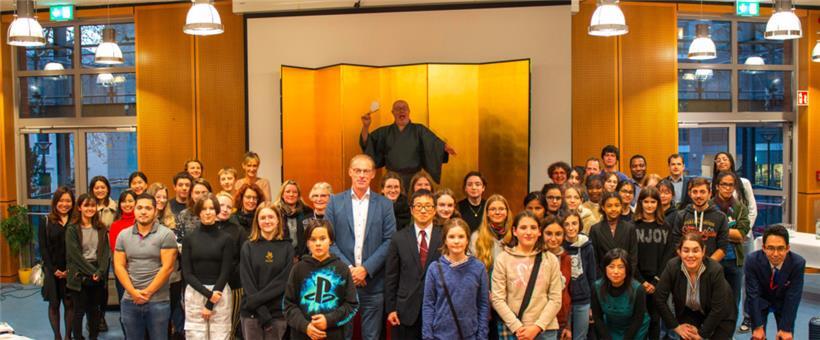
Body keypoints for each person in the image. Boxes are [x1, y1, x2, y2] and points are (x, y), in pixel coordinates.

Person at [325, 154, 397, 340]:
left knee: (372, 337)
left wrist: (365, 269)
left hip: (373, 283)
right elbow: (328, 240)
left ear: (373, 174)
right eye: (357, 170)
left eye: (366, 171)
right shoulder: (334, 202)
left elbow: (390, 240)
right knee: (343, 336)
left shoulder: (385, 204)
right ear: (350, 172)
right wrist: (350, 270)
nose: (362, 175)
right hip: (342, 282)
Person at [113, 193, 178, 340]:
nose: (143, 212)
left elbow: (167, 268)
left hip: (158, 301)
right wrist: (133, 293)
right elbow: (119, 266)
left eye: (148, 208)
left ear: (155, 211)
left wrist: (147, 293)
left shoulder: (166, 234)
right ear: (134, 210)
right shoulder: (123, 235)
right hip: (130, 300)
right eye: (140, 208)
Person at [491, 211, 562, 340]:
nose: (528, 232)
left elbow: (556, 299)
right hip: (515, 330)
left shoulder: (550, 259)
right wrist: (517, 327)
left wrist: (537, 327)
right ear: (514, 231)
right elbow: (497, 299)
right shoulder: (503, 259)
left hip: (545, 329)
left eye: (533, 228)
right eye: (523, 227)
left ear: (539, 232)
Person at [285, 220, 359, 340]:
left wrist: (329, 320)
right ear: (307, 242)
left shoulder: (342, 269)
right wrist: (305, 326)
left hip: (332, 335)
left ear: (330, 240)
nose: (318, 243)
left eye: (322, 238)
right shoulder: (298, 269)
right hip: (302, 335)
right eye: (313, 239)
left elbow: (352, 305)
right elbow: (288, 306)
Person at [654, 232, 737, 340]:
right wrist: (675, 326)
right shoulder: (672, 267)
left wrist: (702, 334)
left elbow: (718, 308)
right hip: (691, 312)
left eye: (696, 250)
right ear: (679, 252)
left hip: (721, 316)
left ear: (703, 252)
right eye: (686, 250)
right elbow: (659, 298)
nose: (690, 255)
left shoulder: (715, 270)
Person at [386, 189, 443, 339]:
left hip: (438, 307)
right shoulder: (399, 238)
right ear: (411, 210)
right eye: (418, 206)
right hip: (406, 310)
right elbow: (391, 276)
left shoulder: (444, 237)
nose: (423, 210)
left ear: (435, 210)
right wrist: (391, 308)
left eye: (428, 206)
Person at [422, 218, 490, 340]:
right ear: (445, 240)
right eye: (452, 237)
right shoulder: (434, 268)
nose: (456, 241)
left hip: (470, 335)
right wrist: (427, 336)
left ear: (467, 239)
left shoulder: (478, 268)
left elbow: (483, 304)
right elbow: (428, 305)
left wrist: (482, 336)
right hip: (440, 336)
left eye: (461, 236)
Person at [360, 99, 456, 185]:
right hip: (392, 179)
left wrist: (443, 146)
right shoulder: (384, 132)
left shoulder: (419, 130)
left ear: (409, 112)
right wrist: (365, 126)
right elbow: (367, 143)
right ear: (392, 112)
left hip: (414, 179)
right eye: (398, 108)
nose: (401, 110)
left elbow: (434, 143)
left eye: (404, 108)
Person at [181, 193, 236, 339]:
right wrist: (208, 296)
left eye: (211, 208)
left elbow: (225, 272)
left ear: (216, 211)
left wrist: (211, 302)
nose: (208, 212)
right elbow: (187, 274)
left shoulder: (226, 239)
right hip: (196, 292)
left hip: (220, 293)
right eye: (204, 209)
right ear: (198, 212)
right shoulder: (189, 239)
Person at [240, 201, 294, 339]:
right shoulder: (248, 246)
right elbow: (247, 282)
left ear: (278, 220)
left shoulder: (287, 247)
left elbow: (283, 282)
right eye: (262, 218)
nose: (267, 221)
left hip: (276, 314)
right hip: (252, 313)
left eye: (271, 217)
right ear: (257, 221)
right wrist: (262, 311)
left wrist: (262, 308)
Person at [745, 225, 805, 340]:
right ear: (763, 248)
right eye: (771, 248)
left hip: (784, 301)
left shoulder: (797, 264)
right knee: (758, 336)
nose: (776, 254)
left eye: (781, 248)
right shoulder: (752, 261)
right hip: (760, 300)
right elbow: (753, 294)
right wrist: (758, 326)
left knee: (785, 336)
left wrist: (786, 328)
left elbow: (793, 297)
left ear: (788, 248)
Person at [66, 193, 110, 340]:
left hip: (97, 273)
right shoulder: (72, 229)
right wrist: (93, 272)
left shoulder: (101, 228)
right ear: (79, 207)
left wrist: (101, 271)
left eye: (93, 205)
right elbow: (75, 256)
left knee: (94, 310)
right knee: (79, 311)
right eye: (86, 205)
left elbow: (105, 253)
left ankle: (93, 337)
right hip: (79, 274)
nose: (90, 208)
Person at [633, 186, 673, 340]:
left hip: (659, 281)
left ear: (658, 204)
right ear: (640, 203)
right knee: (640, 320)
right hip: (637, 281)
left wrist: (656, 281)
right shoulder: (632, 226)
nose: (649, 205)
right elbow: (631, 257)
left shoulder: (666, 226)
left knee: (655, 319)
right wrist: (642, 281)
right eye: (646, 201)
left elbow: (668, 256)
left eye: (653, 202)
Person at [147, 183, 183, 339]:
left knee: (167, 315)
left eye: (164, 197)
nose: (161, 200)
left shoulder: (173, 221)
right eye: (157, 197)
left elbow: (180, 245)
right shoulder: (144, 221)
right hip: (151, 276)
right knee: (152, 317)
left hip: (172, 276)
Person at [713, 171, 751, 319]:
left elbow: (741, 235)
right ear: (717, 186)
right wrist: (729, 231)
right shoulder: (708, 206)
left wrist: (718, 229)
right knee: (712, 299)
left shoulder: (740, 207)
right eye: (724, 184)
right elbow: (704, 232)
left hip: (734, 259)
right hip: (713, 258)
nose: (728, 188)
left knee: (733, 300)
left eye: (731, 185)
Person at [40, 187, 76, 340]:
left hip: (71, 270)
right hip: (52, 270)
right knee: (54, 305)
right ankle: (57, 336)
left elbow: (79, 248)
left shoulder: (76, 221)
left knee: (70, 304)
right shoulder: (46, 221)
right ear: (55, 202)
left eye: (68, 201)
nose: (64, 204)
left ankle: (68, 336)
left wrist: (70, 269)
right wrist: (54, 269)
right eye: (61, 200)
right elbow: (43, 248)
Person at [591, 249, 650, 340]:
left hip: (635, 329)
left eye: (621, 267)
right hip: (611, 326)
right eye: (611, 266)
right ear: (605, 268)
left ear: (627, 269)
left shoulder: (638, 289)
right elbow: (597, 317)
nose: (616, 272)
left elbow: (638, 320)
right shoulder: (597, 287)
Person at [669, 177, 729, 262]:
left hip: (711, 268)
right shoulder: (681, 216)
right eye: (695, 192)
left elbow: (722, 248)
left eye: (702, 192)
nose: (698, 196)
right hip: (686, 265)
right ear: (690, 194)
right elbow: (676, 245)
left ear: (709, 194)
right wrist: (690, 262)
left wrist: (707, 266)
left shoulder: (721, 217)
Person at [561, 211, 596, 340]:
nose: (571, 228)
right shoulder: (559, 246)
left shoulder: (587, 246)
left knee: (580, 337)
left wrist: (592, 306)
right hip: (562, 302)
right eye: (567, 224)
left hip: (583, 299)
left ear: (579, 225)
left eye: (574, 223)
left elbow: (592, 276)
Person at [216, 192, 246, 338]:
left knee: (230, 328)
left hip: (234, 286)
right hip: (208, 287)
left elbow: (243, 259)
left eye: (229, 207)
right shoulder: (205, 228)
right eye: (221, 205)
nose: (225, 209)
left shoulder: (238, 230)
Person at [588, 193, 638, 277]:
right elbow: (594, 259)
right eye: (609, 206)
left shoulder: (630, 228)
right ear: (603, 207)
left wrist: (627, 276)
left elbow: (633, 257)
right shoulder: (595, 229)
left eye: (617, 205)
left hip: (625, 277)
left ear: (621, 206)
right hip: (603, 278)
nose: (613, 209)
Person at [542, 216, 572, 339]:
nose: (553, 239)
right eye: (548, 234)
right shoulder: (536, 257)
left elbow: (568, 292)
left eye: (558, 234)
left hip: (561, 320)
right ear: (540, 233)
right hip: (540, 321)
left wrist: (568, 325)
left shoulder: (567, 259)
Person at [470, 194, 512, 272]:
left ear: (507, 212)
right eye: (492, 209)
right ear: (487, 213)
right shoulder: (476, 237)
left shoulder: (515, 235)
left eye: (501, 209)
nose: (497, 212)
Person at [108, 190, 137, 301]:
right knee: (124, 299)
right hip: (122, 268)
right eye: (124, 201)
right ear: (119, 204)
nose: (127, 204)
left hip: (140, 268)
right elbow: (115, 248)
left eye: (130, 201)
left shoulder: (141, 222)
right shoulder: (115, 225)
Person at [274, 180, 314, 256]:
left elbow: (311, 236)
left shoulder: (307, 212)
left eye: (294, 192)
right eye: (288, 192)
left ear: (298, 195)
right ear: (282, 194)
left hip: (303, 257)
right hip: (281, 256)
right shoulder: (275, 212)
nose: (291, 194)